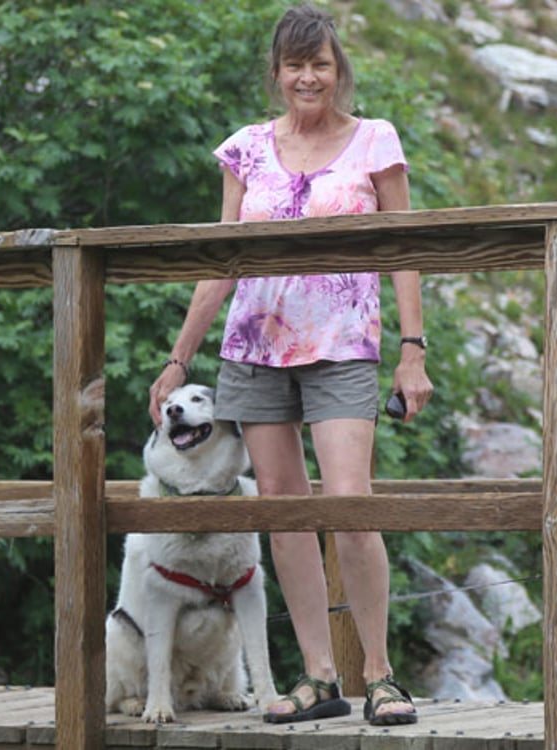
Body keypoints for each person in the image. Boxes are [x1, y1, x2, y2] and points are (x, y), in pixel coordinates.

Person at [147, 2, 431, 727]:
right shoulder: (245, 148)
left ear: (339, 72)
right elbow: (220, 262)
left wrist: (412, 350)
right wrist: (178, 361)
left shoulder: (375, 141)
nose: (309, 77)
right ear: (276, 74)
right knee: (284, 513)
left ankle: (381, 675)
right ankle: (318, 677)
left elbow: (406, 248)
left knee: (350, 508)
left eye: (321, 64)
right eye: (295, 65)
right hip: (254, 349)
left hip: (341, 344)